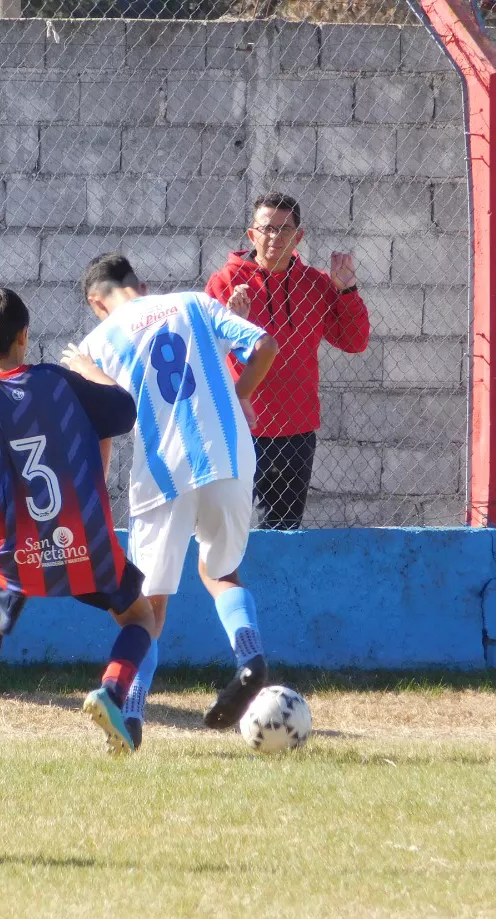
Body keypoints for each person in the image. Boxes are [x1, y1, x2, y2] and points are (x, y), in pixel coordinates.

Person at [0, 287, 156, 753]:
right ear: (26, 335)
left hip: (16, 545)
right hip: (83, 538)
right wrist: (89, 370)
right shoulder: (59, 381)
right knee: (140, 618)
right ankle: (110, 691)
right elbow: (123, 412)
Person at [65, 253, 278, 744]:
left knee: (148, 609)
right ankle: (250, 657)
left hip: (162, 475)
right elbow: (264, 344)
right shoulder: (195, 302)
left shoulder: (95, 346)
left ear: (97, 303)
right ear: (142, 284)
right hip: (228, 455)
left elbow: (105, 428)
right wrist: (239, 394)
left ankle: (132, 716)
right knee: (221, 572)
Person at [205, 193, 370, 530]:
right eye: (266, 229)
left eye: (284, 230)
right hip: (239, 427)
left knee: (283, 531)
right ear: (252, 235)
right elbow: (207, 354)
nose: (275, 238)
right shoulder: (226, 283)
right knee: (223, 528)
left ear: (299, 237)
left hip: (297, 429)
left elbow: (354, 342)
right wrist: (237, 322)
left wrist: (347, 291)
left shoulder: (317, 284)